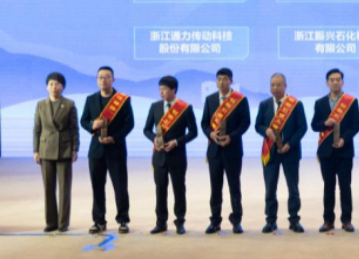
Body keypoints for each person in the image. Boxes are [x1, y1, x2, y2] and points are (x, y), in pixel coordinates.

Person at [79, 66, 134, 235]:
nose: (104, 80)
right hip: (96, 151)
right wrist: (92, 125)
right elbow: (83, 120)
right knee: (97, 187)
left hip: (116, 149)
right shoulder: (90, 99)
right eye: (100, 77)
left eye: (107, 77)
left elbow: (129, 124)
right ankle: (99, 221)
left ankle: (123, 220)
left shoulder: (122, 100)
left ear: (113, 80)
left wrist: (114, 138)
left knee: (120, 187)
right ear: (97, 80)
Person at [143, 75, 198, 234]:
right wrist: (154, 139)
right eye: (160, 89)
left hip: (177, 156)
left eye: (165, 89)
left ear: (173, 89)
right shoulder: (155, 107)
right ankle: (161, 222)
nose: (161, 92)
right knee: (160, 190)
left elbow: (193, 132)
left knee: (179, 190)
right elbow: (146, 129)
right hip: (159, 156)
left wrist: (177, 142)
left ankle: (180, 222)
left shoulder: (185, 108)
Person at [254, 73, 307, 234]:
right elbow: (258, 125)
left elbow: (302, 128)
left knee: (293, 188)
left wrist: (290, 144)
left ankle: (294, 220)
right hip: (270, 152)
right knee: (270, 188)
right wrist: (266, 131)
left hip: (290, 151)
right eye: (272, 85)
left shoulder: (295, 104)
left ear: (285, 86)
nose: (275, 88)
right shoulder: (264, 105)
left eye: (278, 84)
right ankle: (271, 221)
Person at [200, 67, 251, 234]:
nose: (222, 82)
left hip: (233, 150)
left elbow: (245, 123)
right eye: (219, 79)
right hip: (214, 150)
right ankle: (215, 221)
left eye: (225, 79)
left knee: (234, 187)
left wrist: (231, 136)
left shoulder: (240, 100)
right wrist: (211, 134)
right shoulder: (210, 100)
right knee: (215, 188)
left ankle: (236, 221)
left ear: (231, 81)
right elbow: (204, 123)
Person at [310, 68, 359, 233]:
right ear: (327, 83)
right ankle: (328, 220)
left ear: (342, 82)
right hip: (326, 152)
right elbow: (314, 125)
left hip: (344, 151)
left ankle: (346, 220)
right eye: (332, 80)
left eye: (338, 79)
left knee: (345, 186)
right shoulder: (320, 103)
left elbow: (356, 125)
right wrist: (325, 123)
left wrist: (344, 139)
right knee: (328, 186)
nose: (335, 82)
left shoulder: (351, 102)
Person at [33, 72, 78, 233]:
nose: (54, 87)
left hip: (64, 149)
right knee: (48, 188)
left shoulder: (69, 104)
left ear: (63, 87)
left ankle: (63, 222)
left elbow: (74, 129)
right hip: (45, 150)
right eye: (51, 84)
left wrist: (74, 149)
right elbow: (37, 129)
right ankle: (51, 222)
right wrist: (36, 150)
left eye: (57, 84)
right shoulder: (40, 105)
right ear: (47, 87)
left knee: (64, 189)